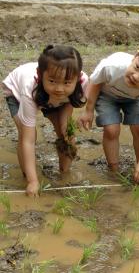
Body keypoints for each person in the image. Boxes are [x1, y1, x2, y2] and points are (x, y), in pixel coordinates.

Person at [78, 43, 139, 183]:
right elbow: (95, 83)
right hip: (107, 94)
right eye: (137, 67)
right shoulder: (113, 66)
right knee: (111, 129)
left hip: (135, 98)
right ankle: (113, 170)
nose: (136, 76)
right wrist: (88, 110)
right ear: (135, 57)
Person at [1, 45, 88, 196]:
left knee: (66, 133)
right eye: (53, 81)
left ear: (77, 78)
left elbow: (70, 103)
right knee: (28, 134)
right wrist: (33, 182)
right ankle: (27, 176)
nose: (59, 88)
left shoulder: (83, 83)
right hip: (18, 94)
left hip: (56, 101)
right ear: (41, 75)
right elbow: (27, 141)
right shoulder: (30, 89)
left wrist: (63, 125)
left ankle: (64, 173)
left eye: (67, 82)